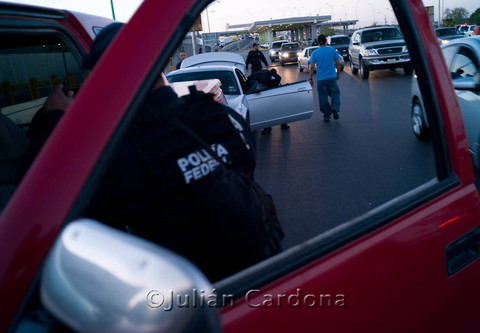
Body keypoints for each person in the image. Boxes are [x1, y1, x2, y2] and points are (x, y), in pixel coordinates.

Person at [20, 22, 283, 281]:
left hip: (190, 304)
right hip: (264, 277)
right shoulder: (219, 115)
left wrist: (52, 121)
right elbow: (246, 166)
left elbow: (40, 208)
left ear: (108, 77)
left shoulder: (120, 154)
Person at [308, 34, 342, 122]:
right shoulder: (332, 50)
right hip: (331, 77)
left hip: (321, 79)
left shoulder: (315, 53)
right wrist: (338, 74)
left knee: (323, 97)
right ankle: (334, 108)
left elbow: (311, 67)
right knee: (335, 93)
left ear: (318, 42)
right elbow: (338, 63)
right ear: (326, 41)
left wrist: (310, 78)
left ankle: (326, 116)